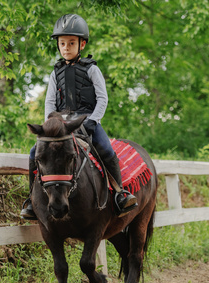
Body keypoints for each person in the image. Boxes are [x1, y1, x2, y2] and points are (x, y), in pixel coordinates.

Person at [21, 13, 137, 219]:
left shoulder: (92, 69)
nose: (66, 47)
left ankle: (120, 194)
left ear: (81, 44)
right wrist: (52, 123)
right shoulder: (55, 73)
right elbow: (49, 102)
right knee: (33, 153)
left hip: (87, 121)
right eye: (62, 43)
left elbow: (103, 98)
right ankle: (31, 200)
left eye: (71, 43)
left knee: (107, 151)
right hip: (61, 125)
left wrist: (94, 121)